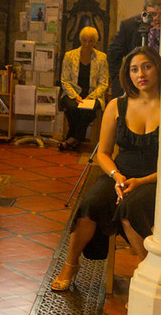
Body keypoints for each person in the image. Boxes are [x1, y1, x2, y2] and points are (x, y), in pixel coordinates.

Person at [50, 47, 160, 292]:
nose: (140, 73)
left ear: (157, 68)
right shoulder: (116, 106)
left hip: (155, 179)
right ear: (127, 74)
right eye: (134, 69)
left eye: (147, 66)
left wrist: (140, 182)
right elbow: (103, 153)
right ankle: (71, 264)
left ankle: (149, 280)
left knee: (130, 209)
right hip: (119, 174)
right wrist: (116, 176)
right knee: (92, 202)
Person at [59, 26, 109, 151]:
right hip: (72, 94)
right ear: (80, 40)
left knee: (89, 110)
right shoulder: (69, 56)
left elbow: (104, 83)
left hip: (93, 95)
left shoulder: (101, 57)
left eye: (91, 41)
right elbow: (64, 80)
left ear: (95, 42)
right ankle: (76, 138)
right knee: (71, 108)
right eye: (84, 40)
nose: (87, 44)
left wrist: (90, 96)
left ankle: (71, 138)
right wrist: (75, 95)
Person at [108, 0, 161, 97]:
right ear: (144, 11)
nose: (157, 19)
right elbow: (113, 55)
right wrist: (122, 81)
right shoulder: (129, 26)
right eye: (153, 14)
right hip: (135, 87)